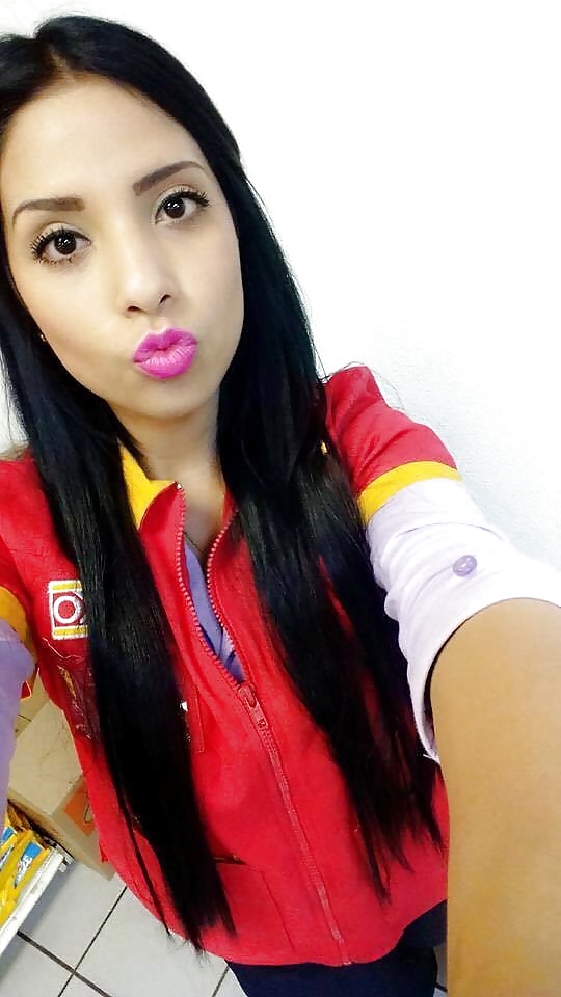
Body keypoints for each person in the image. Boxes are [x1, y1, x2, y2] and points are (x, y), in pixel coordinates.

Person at [0, 14, 560, 997]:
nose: (145, 283)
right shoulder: (17, 532)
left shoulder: (355, 436)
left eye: (176, 204)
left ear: (237, 226)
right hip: (270, 944)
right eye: (62, 240)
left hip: (425, 857)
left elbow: (472, 597)